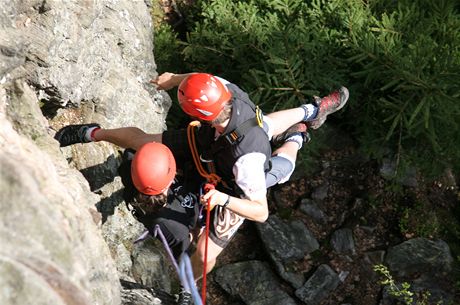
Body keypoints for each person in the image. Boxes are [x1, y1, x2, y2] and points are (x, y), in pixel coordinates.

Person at [54, 72, 349, 292]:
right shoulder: (220, 89)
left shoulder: (247, 162)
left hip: (237, 187)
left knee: (276, 170)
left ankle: (299, 134)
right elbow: (195, 80)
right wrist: (173, 80)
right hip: (215, 138)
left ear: (198, 113)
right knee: (148, 141)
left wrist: (224, 200)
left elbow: (260, 212)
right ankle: (92, 133)